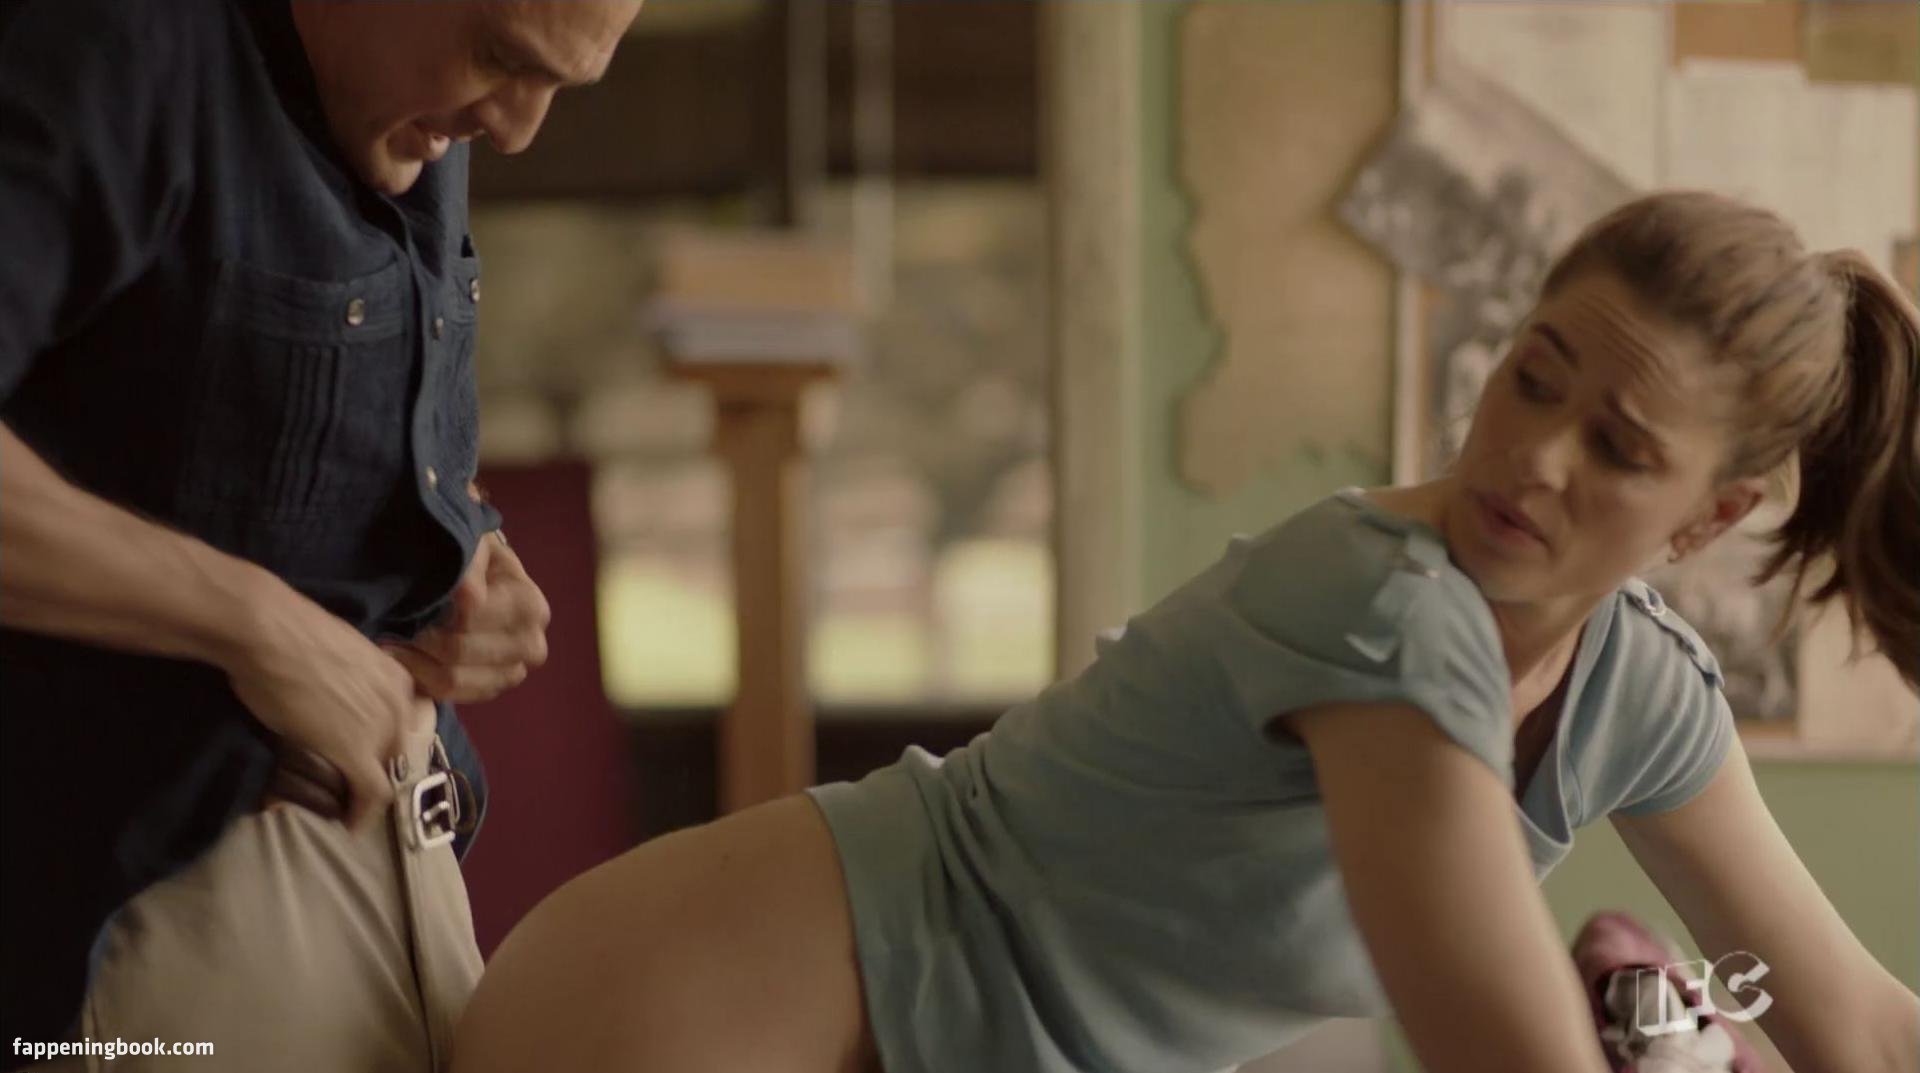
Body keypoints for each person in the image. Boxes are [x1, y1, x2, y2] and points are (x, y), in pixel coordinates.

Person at [450, 190, 1920, 1073]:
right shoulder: (1387, 609)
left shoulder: (1639, 689)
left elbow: (1850, 1022)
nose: (1536, 456)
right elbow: (1501, 1047)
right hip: (717, 1003)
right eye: (1533, 378)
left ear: (1709, 516)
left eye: (1617, 445)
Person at [0, 0, 642, 1068]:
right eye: (500, 57)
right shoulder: (118, 48)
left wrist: (462, 556)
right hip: (167, 916)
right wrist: (253, 625)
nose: (519, 127)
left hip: (413, 868)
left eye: (559, 84)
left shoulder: (414, 106)